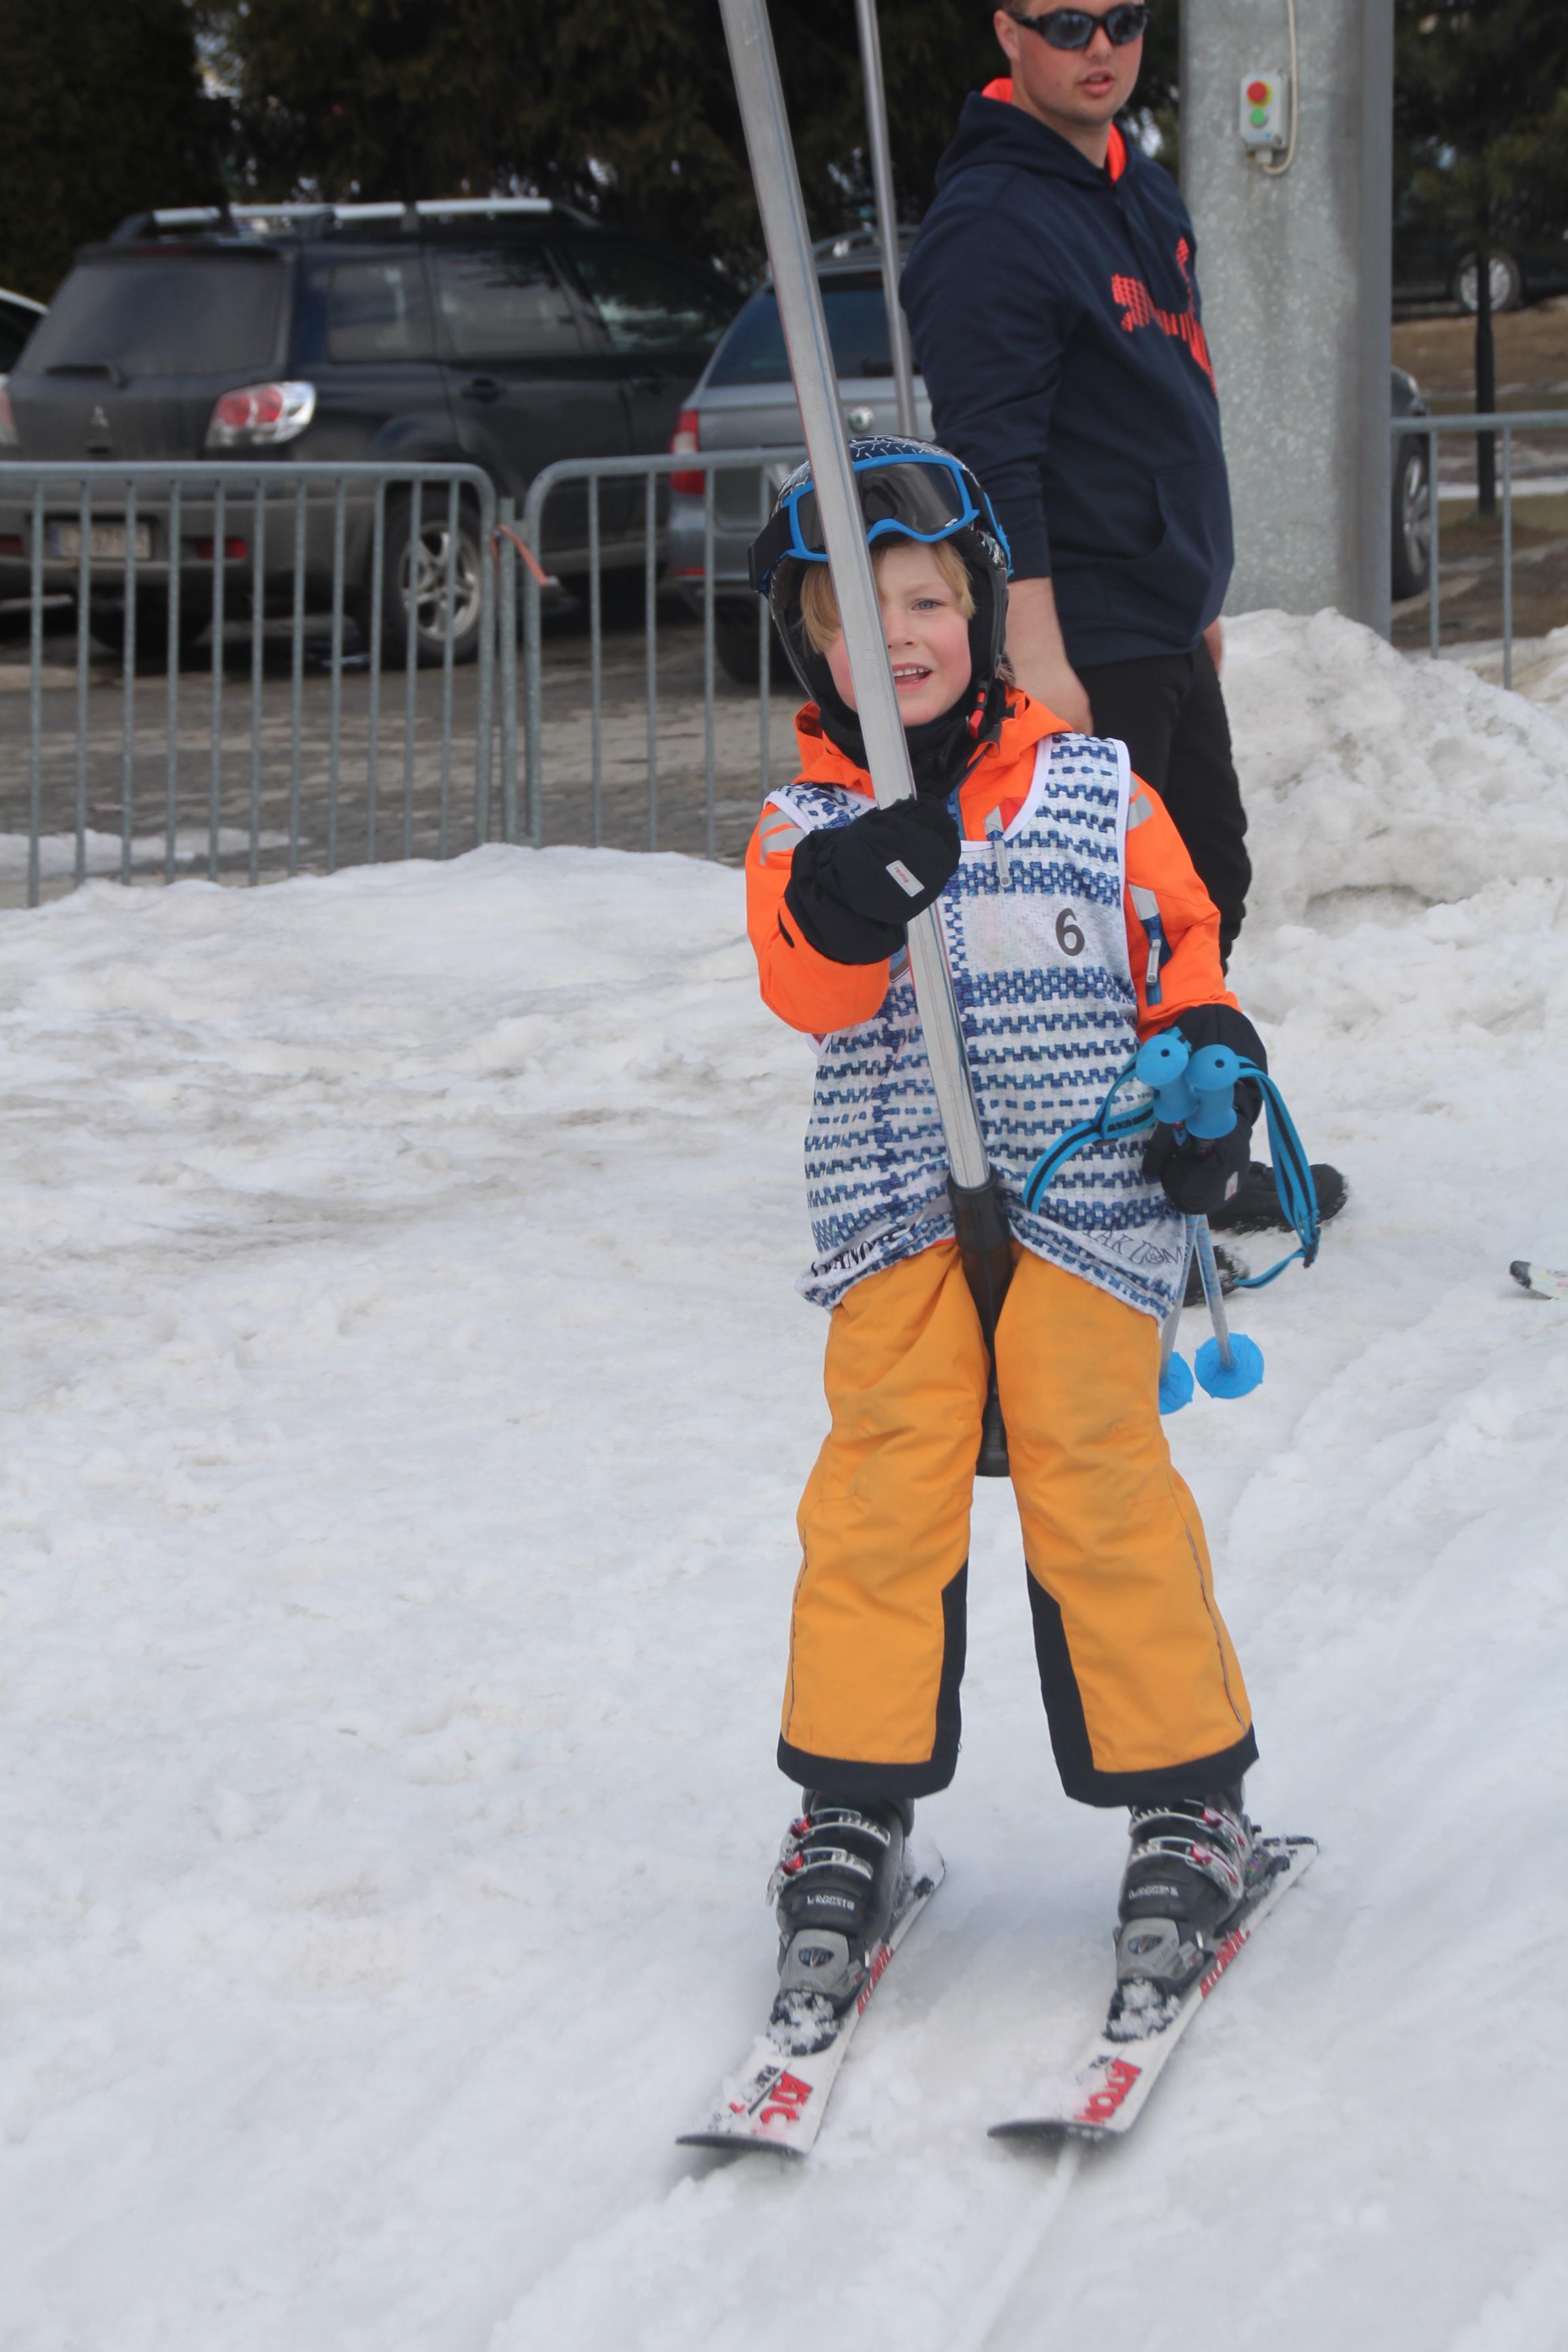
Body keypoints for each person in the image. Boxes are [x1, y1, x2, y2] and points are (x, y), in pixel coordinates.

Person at [744, 436, 1275, 2029]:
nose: (898, 636)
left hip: (1089, 1201)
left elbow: (1182, 942)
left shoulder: (1096, 791)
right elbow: (803, 981)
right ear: (815, 651)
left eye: (926, 601)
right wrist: (852, 891)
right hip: (894, 1211)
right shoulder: (805, 825)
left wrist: (1213, 1062)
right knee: (881, 1495)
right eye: (856, 617)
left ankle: (1189, 1796)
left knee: (1096, 1475)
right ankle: (852, 1806)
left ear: (976, 614)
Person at [900, 2, 1344, 1237]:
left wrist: (1198, 599)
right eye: (1066, 23)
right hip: (1082, 631)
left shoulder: (1136, 186)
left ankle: (1183, 1148)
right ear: (1008, 32)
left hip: (1160, 615)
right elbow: (993, 459)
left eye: (1124, 20)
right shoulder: (992, 221)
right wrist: (1034, 652)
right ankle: (1094, 1174)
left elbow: (1167, 401)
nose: (1100, 47)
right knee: (1111, 919)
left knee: (1204, 885)